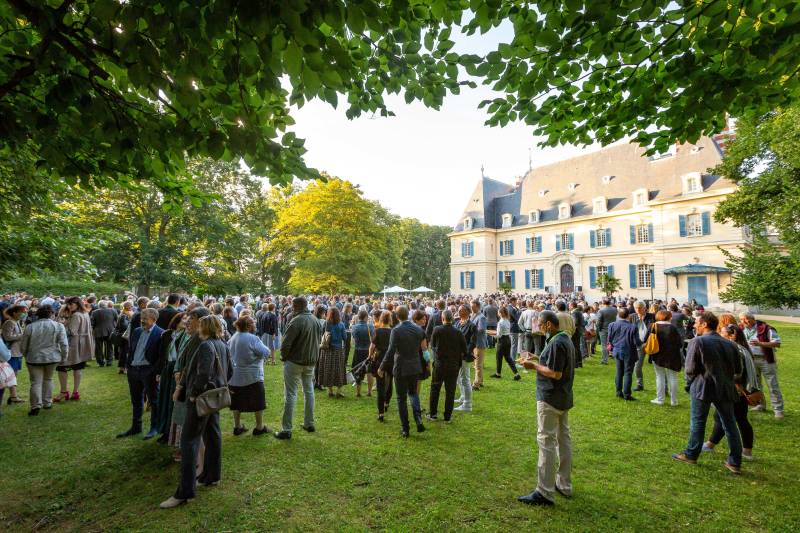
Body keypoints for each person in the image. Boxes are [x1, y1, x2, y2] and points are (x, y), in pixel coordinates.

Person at [161, 315, 233, 508]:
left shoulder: (206, 346)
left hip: (201, 399)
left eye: (200, 324)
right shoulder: (223, 345)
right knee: (212, 435)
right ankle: (211, 476)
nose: (196, 327)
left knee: (189, 442)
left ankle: (185, 492)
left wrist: (193, 394)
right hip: (214, 398)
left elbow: (203, 373)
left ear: (205, 327)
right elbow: (230, 371)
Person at [672, 312, 743, 475]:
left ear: (704, 324)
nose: (694, 325)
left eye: (697, 322)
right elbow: (738, 370)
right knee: (730, 424)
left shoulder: (698, 341)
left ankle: (691, 454)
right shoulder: (730, 344)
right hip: (725, 386)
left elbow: (690, 369)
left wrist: (689, 384)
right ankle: (735, 461)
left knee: (698, 421)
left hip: (703, 386)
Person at [517, 310, 575, 507]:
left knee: (546, 442)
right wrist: (536, 357)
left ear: (549, 324)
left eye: (540, 324)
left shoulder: (558, 342)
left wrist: (533, 366)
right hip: (562, 397)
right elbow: (554, 362)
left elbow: (556, 373)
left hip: (551, 397)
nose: (538, 328)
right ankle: (563, 483)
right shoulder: (563, 338)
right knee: (562, 439)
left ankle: (544, 491)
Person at [704, 321, 759, 461]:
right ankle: (745, 450)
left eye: (722, 333)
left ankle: (711, 445)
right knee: (737, 418)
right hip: (739, 390)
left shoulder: (736, 349)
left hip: (736, 390)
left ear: (730, 336)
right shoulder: (742, 348)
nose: (720, 335)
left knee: (724, 417)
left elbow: (738, 373)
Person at [274, 297, 323, 440]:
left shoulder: (297, 321)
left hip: (296, 361)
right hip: (310, 361)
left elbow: (286, 344)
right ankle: (309, 423)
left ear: (295, 306)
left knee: (291, 394)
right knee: (309, 391)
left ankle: (287, 429)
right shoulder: (315, 320)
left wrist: (284, 356)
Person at [378, 305, 427, 437]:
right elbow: (424, 347)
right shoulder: (418, 329)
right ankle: (418, 419)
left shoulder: (396, 331)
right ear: (408, 315)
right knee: (413, 393)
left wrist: (381, 366)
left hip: (401, 367)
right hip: (415, 366)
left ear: (397, 317)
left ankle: (405, 428)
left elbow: (390, 351)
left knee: (401, 398)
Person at [117, 308, 164, 440]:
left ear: (154, 319)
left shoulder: (160, 333)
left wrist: (154, 370)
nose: (142, 320)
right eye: (141, 317)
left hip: (148, 371)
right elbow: (131, 349)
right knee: (136, 399)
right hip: (134, 370)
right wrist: (129, 365)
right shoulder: (137, 331)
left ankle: (154, 427)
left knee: (154, 400)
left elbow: (161, 356)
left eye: (145, 318)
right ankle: (136, 426)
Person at [20, 305, 68, 416]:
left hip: (34, 358)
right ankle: (47, 402)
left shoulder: (30, 327)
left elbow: (23, 346)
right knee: (48, 379)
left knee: (36, 382)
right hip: (52, 358)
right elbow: (64, 344)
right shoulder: (58, 326)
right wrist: (64, 357)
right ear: (51, 314)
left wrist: (26, 355)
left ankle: (36, 406)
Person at [228, 315, 271, 436]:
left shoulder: (233, 337)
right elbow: (266, 352)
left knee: (236, 402)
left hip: (235, 377)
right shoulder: (253, 338)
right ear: (248, 326)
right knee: (258, 402)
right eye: (253, 323)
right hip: (252, 376)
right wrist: (258, 356)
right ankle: (259, 427)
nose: (255, 325)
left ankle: (237, 426)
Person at [739, 313, 784, 420]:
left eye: (746, 319)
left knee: (773, 385)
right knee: (756, 384)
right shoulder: (741, 328)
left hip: (766, 359)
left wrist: (761, 344)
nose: (744, 322)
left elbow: (777, 343)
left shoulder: (766, 328)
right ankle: (760, 405)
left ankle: (778, 410)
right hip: (751, 360)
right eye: (741, 320)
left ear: (753, 319)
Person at [428, 310, 468, 422]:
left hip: (440, 364)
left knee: (435, 388)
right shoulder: (458, 332)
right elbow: (465, 350)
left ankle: (433, 414)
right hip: (453, 365)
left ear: (443, 318)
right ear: (452, 319)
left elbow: (432, 345)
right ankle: (447, 416)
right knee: (450, 391)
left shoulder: (437, 330)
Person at [55, 297, 94, 402]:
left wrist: (62, 323)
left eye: (71, 304)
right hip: (82, 344)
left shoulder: (76, 315)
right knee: (78, 368)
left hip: (74, 345)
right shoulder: (85, 313)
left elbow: (71, 331)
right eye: (68, 304)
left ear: (78, 304)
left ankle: (64, 392)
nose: (69, 306)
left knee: (62, 367)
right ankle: (75, 392)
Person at [647, 310, 683, 406]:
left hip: (657, 354)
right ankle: (674, 401)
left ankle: (660, 399)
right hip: (672, 355)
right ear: (668, 317)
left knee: (659, 376)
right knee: (673, 377)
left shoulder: (652, 326)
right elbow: (680, 343)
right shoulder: (672, 328)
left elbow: (646, 339)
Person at [607, 308, 640, 401]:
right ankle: (626, 394)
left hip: (618, 350)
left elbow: (609, 339)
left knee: (619, 371)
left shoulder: (612, 325)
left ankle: (619, 392)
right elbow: (636, 342)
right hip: (628, 351)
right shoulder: (632, 327)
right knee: (627, 372)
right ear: (628, 316)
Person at [317, 307, 348, 398]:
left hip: (327, 350)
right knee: (339, 369)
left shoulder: (326, 323)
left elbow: (321, 335)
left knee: (328, 369)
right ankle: (339, 391)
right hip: (337, 350)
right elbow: (345, 338)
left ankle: (330, 390)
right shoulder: (341, 324)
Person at [369, 310, 394, 422]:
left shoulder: (377, 331)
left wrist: (370, 356)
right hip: (391, 359)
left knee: (380, 386)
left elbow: (372, 346)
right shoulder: (393, 331)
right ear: (390, 320)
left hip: (379, 359)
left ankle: (381, 413)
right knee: (389, 382)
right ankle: (386, 402)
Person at [1, 304, 27, 404]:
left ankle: (13, 396)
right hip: (11, 353)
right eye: (22, 311)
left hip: (17, 352)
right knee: (12, 375)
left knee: (14, 374)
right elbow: (7, 337)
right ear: (15, 313)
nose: (23, 313)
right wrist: (22, 335)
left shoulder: (16, 322)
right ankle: (13, 396)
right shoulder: (9, 323)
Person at [454, 305, 475, 412]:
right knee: (459, 377)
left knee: (465, 378)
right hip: (457, 354)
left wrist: (465, 352)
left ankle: (467, 404)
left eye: (460, 310)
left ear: (467, 312)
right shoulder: (457, 323)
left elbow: (472, 342)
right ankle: (463, 396)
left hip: (465, 355)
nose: (458, 311)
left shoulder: (471, 325)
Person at [491, 306, 520, 380]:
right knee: (508, 357)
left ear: (500, 313)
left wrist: (490, 334)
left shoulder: (500, 322)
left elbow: (498, 335)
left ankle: (498, 374)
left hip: (502, 341)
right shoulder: (507, 320)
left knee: (499, 357)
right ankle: (516, 373)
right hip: (508, 339)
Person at [631, 301, 655, 392]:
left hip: (651, 344)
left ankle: (664, 388)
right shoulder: (632, 317)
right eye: (636, 308)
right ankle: (639, 384)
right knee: (637, 366)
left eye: (640, 307)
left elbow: (654, 330)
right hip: (638, 345)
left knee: (658, 366)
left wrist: (648, 341)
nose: (638, 310)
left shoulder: (652, 317)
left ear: (645, 308)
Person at [351, 309, 374, 398]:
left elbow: (353, 336)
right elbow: (373, 338)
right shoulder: (370, 326)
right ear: (365, 317)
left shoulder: (354, 327)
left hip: (358, 350)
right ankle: (369, 392)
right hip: (368, 351)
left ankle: (358, 392)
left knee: (358, 371)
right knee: (370, 372)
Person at [91, 300, 117, 367]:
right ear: (106, 305)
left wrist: (93, 329)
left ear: (99, 306)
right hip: (110, 331)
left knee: (98, 348)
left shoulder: (94, 312)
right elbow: (116, 320)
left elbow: (92, 323)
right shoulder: (113, 310)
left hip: (98, 331)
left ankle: (101, 362)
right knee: (109, 347)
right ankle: (109, 361)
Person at [469, 300, 487, 390]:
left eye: (473, 307)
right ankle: (480, 381)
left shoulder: (481, 317)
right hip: (475, 343)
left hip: (479, 343)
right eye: (471, 307)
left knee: (478, 365)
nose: (471, 308)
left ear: (477, 307)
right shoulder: (473, 315)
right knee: (477, 364)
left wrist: (471, 330)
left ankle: (476, 384)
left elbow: (481, 330)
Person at [596, 299, 618, 365]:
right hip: (613, 328)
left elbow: (599, 321)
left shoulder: (601, 310)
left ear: (603, 303)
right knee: (614, 344)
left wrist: (599, 329)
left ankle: (604, 360)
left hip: (603, 329)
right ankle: (616, 357)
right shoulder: (615, 309)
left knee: (604, 345)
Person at [114, 301, 134, 374]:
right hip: (124, 336)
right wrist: (131, 321)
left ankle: (122, 368)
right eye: (131, 306)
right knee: (124, 352)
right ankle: (124, 368)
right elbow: (124, 326)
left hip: (124, 336)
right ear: (127, 307)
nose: (132, 307)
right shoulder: (124, 315)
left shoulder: (124, 313)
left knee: (123, 352)